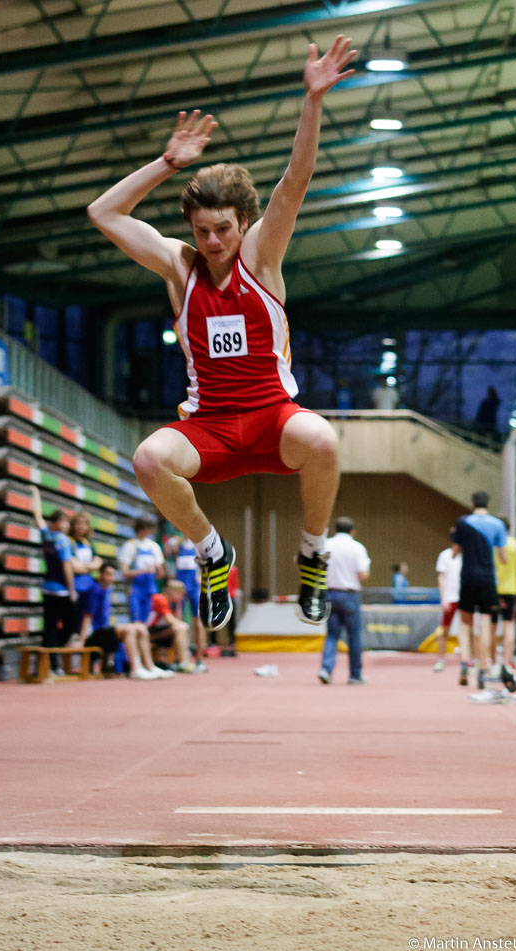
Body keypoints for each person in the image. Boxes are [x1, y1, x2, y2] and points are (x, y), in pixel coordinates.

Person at [87, 36, 357, 632]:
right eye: (203, 230)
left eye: (224, 229)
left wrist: (312, 102)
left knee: (325, 441)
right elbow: (103, 214)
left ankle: (313, 553)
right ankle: (211, 551)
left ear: (243, 224)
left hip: (270, 417)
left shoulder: (260, 258)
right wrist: (167, 165)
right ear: (191, 226)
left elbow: (297, 178)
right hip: (208, 426)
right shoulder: (178, 267)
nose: (213, 242)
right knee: (148, 458)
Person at [77, 561, 172, 680]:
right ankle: (135, 669)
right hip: (94, 634)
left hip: (104, 631)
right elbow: (87, 617)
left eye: (112, 574)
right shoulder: (95, 590)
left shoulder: (108, 589)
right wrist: (82, 639)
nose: (111, 577)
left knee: (141, 627)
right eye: (108, 574)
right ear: (101, 574)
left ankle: (150, 666)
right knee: (130, 629)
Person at [452, 490, 507, 689]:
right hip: (487, 580)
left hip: (467, 579)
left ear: (472, 503)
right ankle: (483, 670)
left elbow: (454, 552)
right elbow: (503, 557)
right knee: (485, 624)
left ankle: (465, 665)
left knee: (465, 625)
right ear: (488, 503)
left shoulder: (463, 523)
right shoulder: (497, 525)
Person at [30, 486, 76, 674]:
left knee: (49, 626)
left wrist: (36, 495)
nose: (66, 526)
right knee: (69, 625)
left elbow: (37, 516)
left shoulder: (46, 535)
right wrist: (72, 589)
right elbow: (67, 565)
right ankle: (54, 665)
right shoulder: (63, 540)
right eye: (64, 522)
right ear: (56, 523)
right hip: (61, 590)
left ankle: (48, 667)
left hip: (47, 588)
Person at [318, 516, 370, 685]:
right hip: (349, 595)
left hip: (330, 594)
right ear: (352, 531)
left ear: (335, 529)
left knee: (332, 635)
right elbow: (363, 574)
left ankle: (326, 669)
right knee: (354, 637)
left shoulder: (326, 545)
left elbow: (318, 568)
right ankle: (355, 675)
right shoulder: (357, 548)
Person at [164, 534, 207, 666]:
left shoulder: (198, 543)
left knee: (198, 622)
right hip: (179, 586)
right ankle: (179, 657)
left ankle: (199, 658)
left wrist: (202, 576)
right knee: (178, 620)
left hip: (194, 586)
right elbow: (165, 556)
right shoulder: (176, 542)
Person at [491, 518, 516, 669]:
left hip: (492, 590)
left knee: (490, 627)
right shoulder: (515, 544)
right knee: (508, 626)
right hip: (510, 591)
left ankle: (491, 662)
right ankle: (506, 663)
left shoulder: (491, 545)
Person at [119, 515, 165, 624]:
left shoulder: (154, 546)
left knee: (147, 623)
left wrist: (158, 569)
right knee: (136, 622)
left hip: (150, 589)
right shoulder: (130, 545)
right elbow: (124, 573)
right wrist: (144, 571)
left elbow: (161, 575)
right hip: (135, 590)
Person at [146, 580, 200, 672]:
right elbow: (172, 621)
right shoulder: (159, 598)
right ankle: (183, 663)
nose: (182, 597)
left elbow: (178, 620)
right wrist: (184, 625)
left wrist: (179, 605)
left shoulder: (171, 603)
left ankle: (180, 661)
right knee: (181, 628)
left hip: (159, 630)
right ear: (173, 591)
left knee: (181, 628)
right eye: (181, 594)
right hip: (149, 631)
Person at [433, 529, 462, 673]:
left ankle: (470, 660)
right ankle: (440, 659)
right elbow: (441, 577)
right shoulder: (444, 556)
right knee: (444, 630)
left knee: (469, 631)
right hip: (449, 598)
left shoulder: (467, 556)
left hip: (464, 598)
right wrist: (443, 598)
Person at [69, 510, 103, 629]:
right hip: (75, 587)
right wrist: (89, 566)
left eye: (84, 523)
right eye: (78, 523)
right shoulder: (69, 542)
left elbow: (98, 563)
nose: (81, 526)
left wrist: (83, 566)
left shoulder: (89, 543)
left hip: (89, 586)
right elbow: (73, 567)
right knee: (75, 620)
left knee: (89, 617)